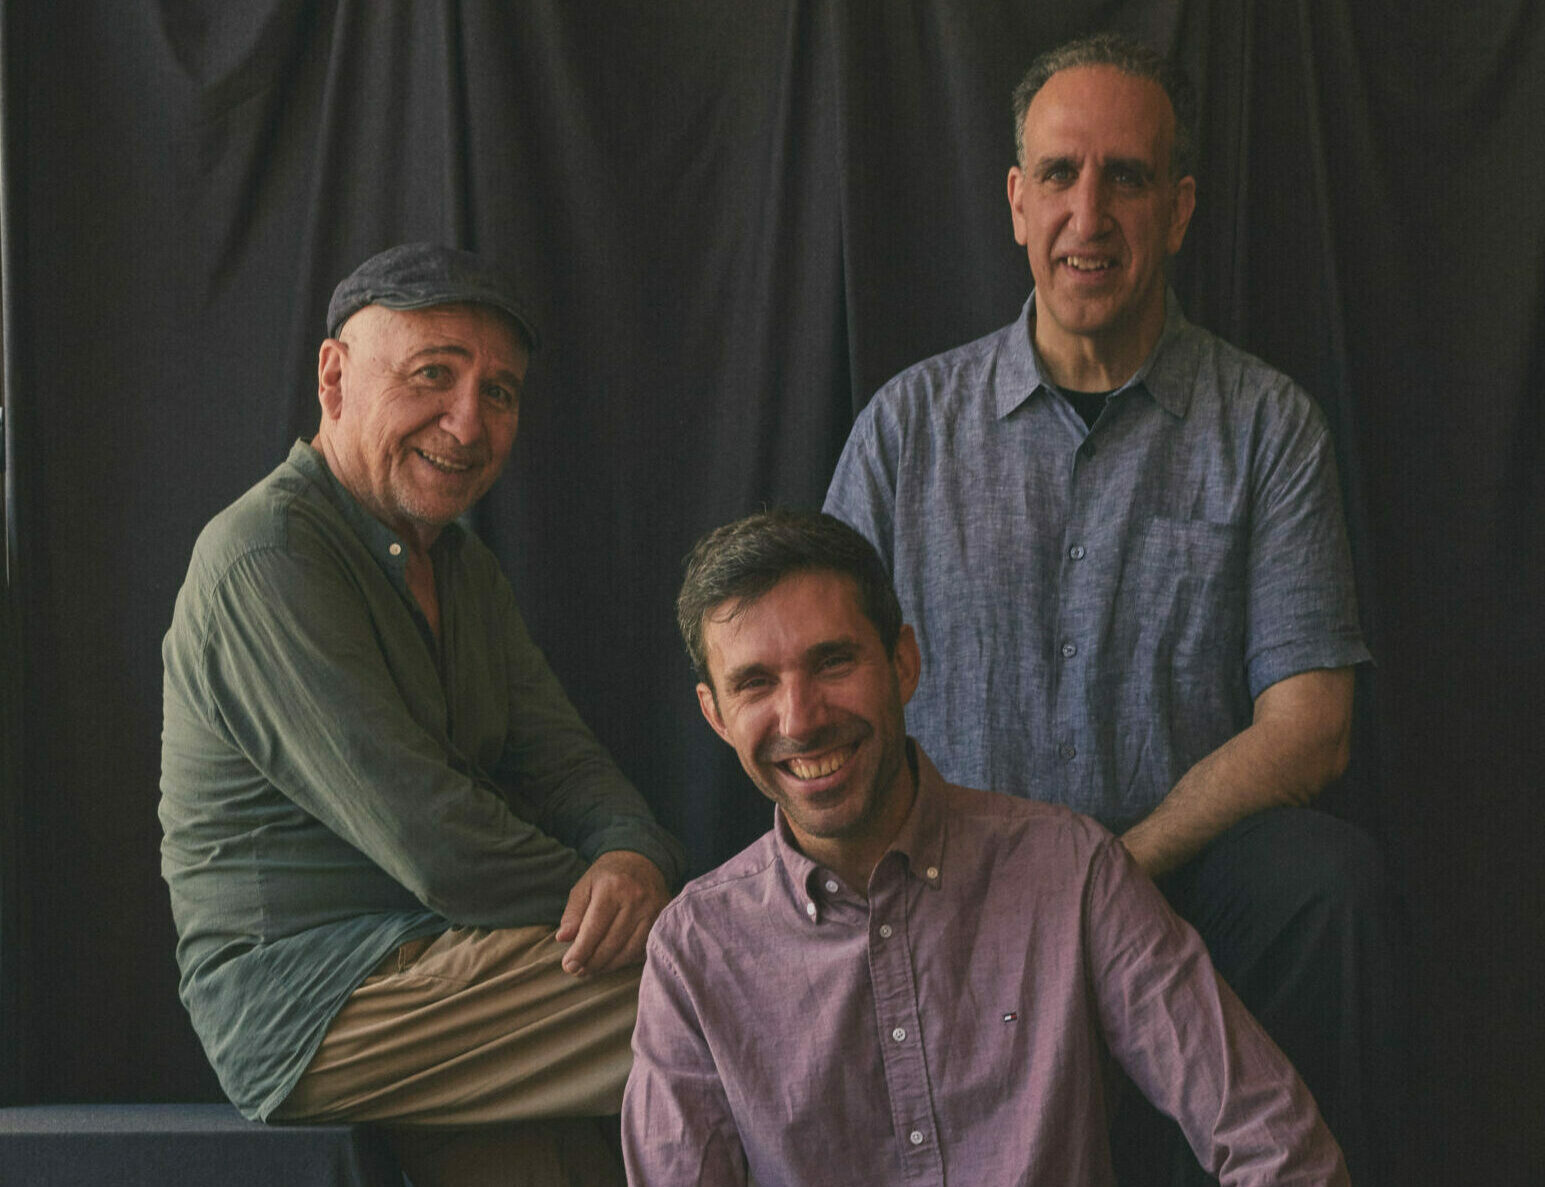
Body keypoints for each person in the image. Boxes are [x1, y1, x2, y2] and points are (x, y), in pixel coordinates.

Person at [823, 32, 1401, 1184]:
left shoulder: (1267, 427)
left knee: (1329, 883)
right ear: (1016, 201)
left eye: (1126, 178)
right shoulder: (904, 428)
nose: (1088, 214)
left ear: (1177, 209)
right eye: (1060, 174)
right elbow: (820, 684)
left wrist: (1108, 873)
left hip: (1177, 878)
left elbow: (1311, 728)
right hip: (954, 881)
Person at [160, 243, 684, 1185]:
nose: (468, 421)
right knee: (727, 980)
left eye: (499, 393)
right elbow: (435, 841)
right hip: (314, 999)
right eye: (433, 374)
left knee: (589, 1158)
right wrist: (639, 914)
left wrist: (632, 859)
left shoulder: (465, 569)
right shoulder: (267, 556)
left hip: (449, 967)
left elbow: (565, 761)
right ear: (334, 378)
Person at [621, 508, 1348, 1186]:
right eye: (755, 683)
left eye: (833, 662)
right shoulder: (694, 952)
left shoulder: (1071, 871)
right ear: (715, 715)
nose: (800, 719)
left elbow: (1277, 1148)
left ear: (902, 663)